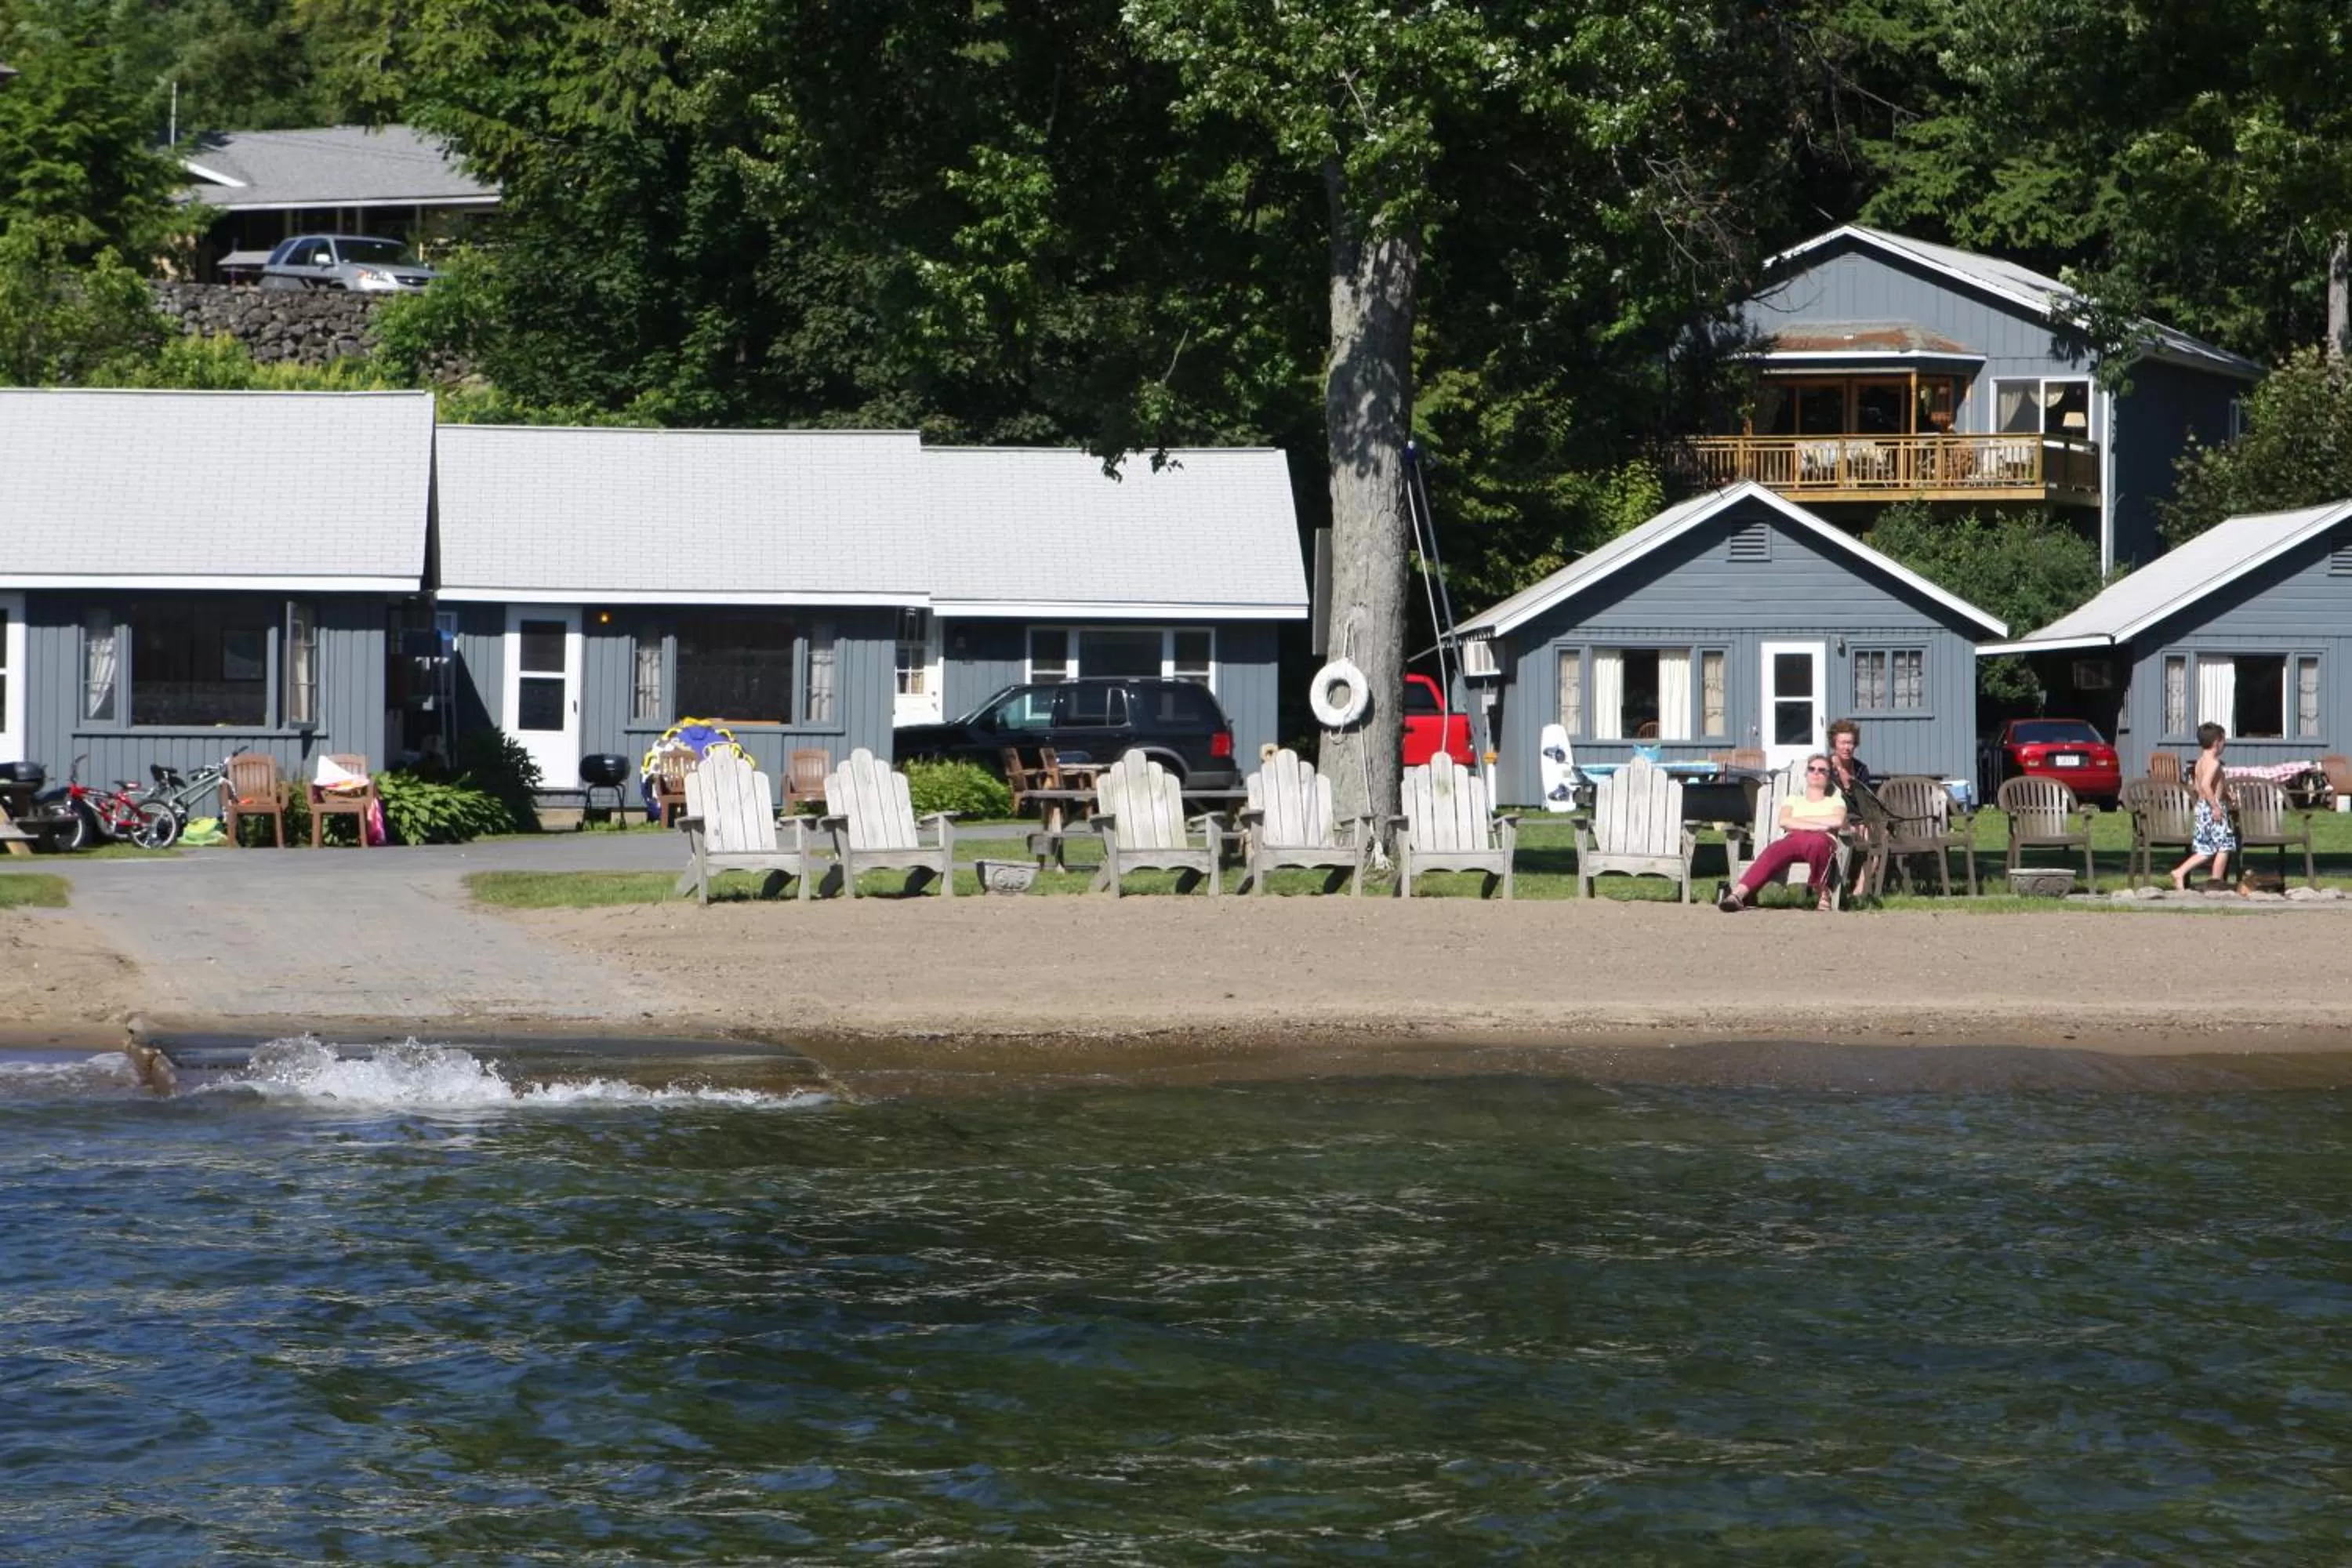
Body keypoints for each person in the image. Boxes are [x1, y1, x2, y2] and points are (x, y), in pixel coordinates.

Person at [1719, 753, 1848, 913]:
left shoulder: (1835, 801)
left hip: (1822, 840)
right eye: (1812, 769)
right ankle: (1737, 896)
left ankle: (1823, 894)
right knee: (1774, 850)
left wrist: (1802, 822)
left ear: (1829, 777)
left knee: (1817, 843)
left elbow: (1837, 821)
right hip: (1793, 839)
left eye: (1822, 770)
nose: (1816, 773)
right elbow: (1785, 821)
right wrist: (1820, 823)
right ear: (1806, 774)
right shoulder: (1793, 800)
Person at [2171, 722, 2239, 893]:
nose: (2225, 744)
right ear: (2217, 741)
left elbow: (2197, 786)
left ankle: (2180, 872)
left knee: (2207, 849)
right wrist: (2216, 806)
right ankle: (2216, 883)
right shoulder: (2214, 763)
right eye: (2224, 741)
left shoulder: (2200, 761)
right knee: (2224, 846)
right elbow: (2206, 785)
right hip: (2212, 808)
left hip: (2203, 807)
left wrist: (2225, 795)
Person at [1825, 718, 1874, 801]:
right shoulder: (1825, 767)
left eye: (1850, 743)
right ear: (1834, 744)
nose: (1847, 748)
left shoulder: (1861, 769)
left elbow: (1866, 800)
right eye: (1843, 743)